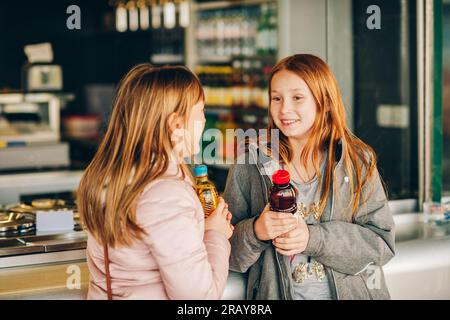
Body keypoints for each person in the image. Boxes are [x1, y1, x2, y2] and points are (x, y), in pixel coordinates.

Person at [224, 54, 395, 300]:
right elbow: (226, 253)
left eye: (297, 98)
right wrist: (255, 231)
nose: (284, 109)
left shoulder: (356, 161)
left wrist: (313, 239)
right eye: (276, 98)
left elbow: (382, 244)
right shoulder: (250, 163)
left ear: (323, 102)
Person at [78, 64, 233, 300]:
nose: (204, 119)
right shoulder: (166, 193)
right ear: (176, 124)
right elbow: (199, 298)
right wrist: (215, 233)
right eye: (201, 110)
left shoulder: (111, 177)